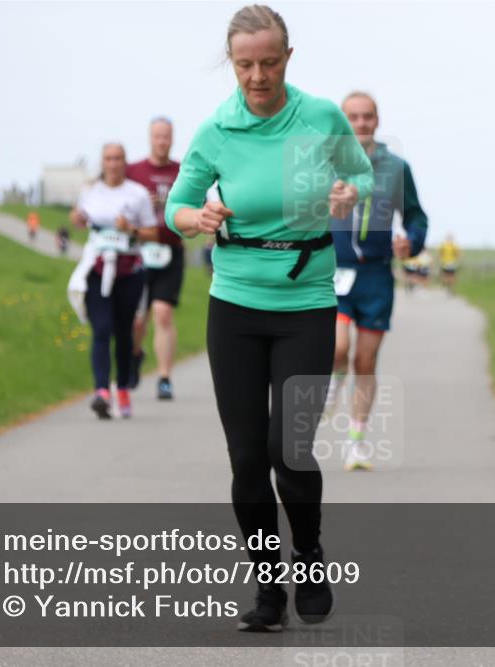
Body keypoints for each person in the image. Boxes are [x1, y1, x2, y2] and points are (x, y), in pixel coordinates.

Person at [164, 4, 373, 632]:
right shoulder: (216, 131)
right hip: (234, 307)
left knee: (292, 451)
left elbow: (360, 174)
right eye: (245, 63)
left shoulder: (320, 117)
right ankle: (267, 590)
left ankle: (308, 557)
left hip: (306, 302)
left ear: (289, 56)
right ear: (231, 62)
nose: (258, 75)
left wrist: (347, 193)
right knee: (248, 459)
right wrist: (195, 219)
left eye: (270, 62)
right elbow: (177, 203)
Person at [327, 91, 428, 472]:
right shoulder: (325, 164)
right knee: (338, 349)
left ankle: (356, 441)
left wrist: (411, 242)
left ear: (377, 120)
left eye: (367, 116)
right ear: (342, 122)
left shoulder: (395, 168)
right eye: (352, 117)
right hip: (333, 272)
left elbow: (417, 216)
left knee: (365, 360)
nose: (360, 124)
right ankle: (334, 382)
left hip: (376, 275)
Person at [69, 143, 160, 419]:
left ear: (125, 162)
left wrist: (130, 229)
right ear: (102, 162)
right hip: (97, 269)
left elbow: (153, 233)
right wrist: (77, 219)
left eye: (118, 158)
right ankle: (101, 391)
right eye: (108, 158)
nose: (113, 163)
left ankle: (121, 388)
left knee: (123, 333)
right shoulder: (90, 191)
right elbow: (78, 220)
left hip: (129, 271)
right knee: (101, 329)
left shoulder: (137, 194)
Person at [126, 117, 183, 397]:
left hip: (171, 251)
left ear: (172, 139)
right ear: (150, 138)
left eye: (166, 137)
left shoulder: (182, 171)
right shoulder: (133, 171)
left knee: (163, 313)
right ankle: (135, 354)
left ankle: (164, 377)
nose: (162, 141)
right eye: (157, 136)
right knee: (138, 319)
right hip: (140, 252)